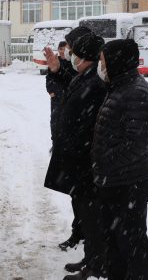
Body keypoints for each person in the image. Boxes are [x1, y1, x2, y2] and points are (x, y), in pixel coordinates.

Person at [93, 39, 148, 280]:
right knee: (115, 243)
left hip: (130, 183)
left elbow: (137, 145)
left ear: (116, 62)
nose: (101, 66)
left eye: (103, 61)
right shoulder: (120, 87)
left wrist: (104, 162)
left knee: (132, 244)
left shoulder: (136, 93)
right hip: (115, 181)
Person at [43, 26, 91, 253]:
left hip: (85, 149)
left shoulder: (96, 77)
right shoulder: (81, 73)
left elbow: (77, 91)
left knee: (85, 199)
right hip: (72, 144)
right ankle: (80, 233)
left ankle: (90, 245)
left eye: (72, 49)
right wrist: (56, 70)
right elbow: (65, 85)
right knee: (77, 196)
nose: (69, 53)